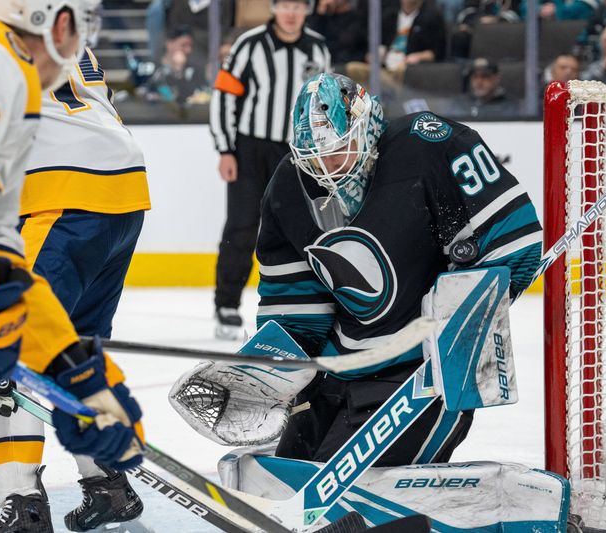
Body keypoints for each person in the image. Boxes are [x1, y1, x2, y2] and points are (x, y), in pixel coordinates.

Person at [0, 1, 145, 531]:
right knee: (73, 349)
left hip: (60, 193)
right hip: (125, 193)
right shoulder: (38, 19)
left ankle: (19, 505)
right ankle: (109, 483)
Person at [252, 72, 541, 465]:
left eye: (338, 151)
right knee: (287, 483)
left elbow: (515, 239)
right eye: (314, 158)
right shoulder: (289, 185)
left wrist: (464, 316)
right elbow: (296, 307)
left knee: (348, 504)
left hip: (425, 372)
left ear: (367, 126)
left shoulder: (428, 144)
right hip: (343, 370)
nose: (326, 169)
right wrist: (274, 368)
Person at [209, 0, 331, 340]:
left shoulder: (318, 48)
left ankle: (304, 305)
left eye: (298, 6)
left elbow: (324, 102)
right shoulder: (249, 45)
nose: (291, 12)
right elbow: (224, 95)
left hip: (298, 154)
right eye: (285, 5)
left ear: (307, 10)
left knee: (304, 229)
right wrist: (225, 149)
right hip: (251, 150)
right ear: (274, 8)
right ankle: (227, 304)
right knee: (242, 226)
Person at [449, 58, 521, 118]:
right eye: (475, 77)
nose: (479, 82)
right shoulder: (459, 104)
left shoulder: (511, 105)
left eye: (485, 76)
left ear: (497, 78)